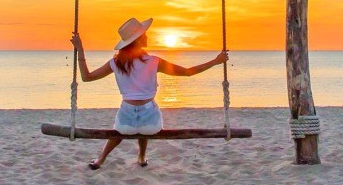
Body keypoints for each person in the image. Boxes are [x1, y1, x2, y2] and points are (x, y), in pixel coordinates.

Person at [72, 17, 227, 170]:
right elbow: (188, 72)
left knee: (122, 127)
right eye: (144, 34)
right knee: (145, 118)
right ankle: (141, 157)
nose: (147, 36)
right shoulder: (153, 61)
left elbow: (87, 77)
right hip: (151, 125)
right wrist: (215, 61)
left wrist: (80, 49)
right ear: (138, 40)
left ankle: (101, 159)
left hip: (125, 125)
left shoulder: (116, 63)